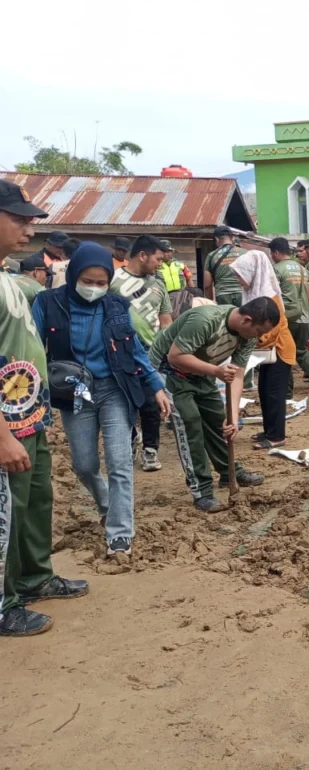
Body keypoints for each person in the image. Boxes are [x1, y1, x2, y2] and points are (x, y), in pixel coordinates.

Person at [32, 242, 172, 557]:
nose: (94, 288)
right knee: (84, 464)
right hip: (73, 393)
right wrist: (35, 395)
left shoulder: (117, 306)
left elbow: (135, 350)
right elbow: (33, 348)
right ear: (74, 276)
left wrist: (156, 385)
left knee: (119, 462)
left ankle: (120, 532)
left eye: (101, 282)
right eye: (87, 281)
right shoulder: (47, 303)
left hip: (114, 389)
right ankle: (106, 502)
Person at [0, 180, 89, 636]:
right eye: (19, 219)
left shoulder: (9, 278)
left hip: (28, 415)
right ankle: (4, 603)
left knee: (35, 501)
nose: (30, 229)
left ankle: (34, 577)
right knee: (5, 513)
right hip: (5, 425)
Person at [150, 298, 277, 512]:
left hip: (202, 373)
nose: (259, 337)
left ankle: (229, 472)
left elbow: (237, 376)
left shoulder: (246, 337)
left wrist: (233, 416)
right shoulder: (206, 320)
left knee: (219, 421)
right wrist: (216, 371)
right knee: (190, 423)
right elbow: (175, 357)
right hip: (169, 373)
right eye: (258, 331)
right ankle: (201, 490)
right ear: (247, 320)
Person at [110, 235, 174, 472]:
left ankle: (150, 449)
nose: (161, 264)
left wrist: (163, 350)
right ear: (143, 255)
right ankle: (130, 439)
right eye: (158, 259)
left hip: (150, 353)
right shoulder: (113, 280)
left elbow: (166, 321)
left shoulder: (158, 285)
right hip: (119, 353)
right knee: (125, 402)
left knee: (151, 403)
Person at [230, 250, 296, 450]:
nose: (238, 280)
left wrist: (252, 340)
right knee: (264, 391)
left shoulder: (269, 298)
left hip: (280, 350)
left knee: (274, 394)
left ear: (252, 272)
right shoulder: (255, 296)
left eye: (240, 275)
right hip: (267, 353)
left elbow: (272, 331)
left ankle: (276, 436)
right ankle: (269, 430)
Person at [269, 237, 309, 397]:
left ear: (276, 252)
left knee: (283, 352)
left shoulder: (276, 269)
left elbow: (272, 295)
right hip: (303, 316)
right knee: (302, 351)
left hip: (286, 318)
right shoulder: (303, 269)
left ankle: (286, 391)